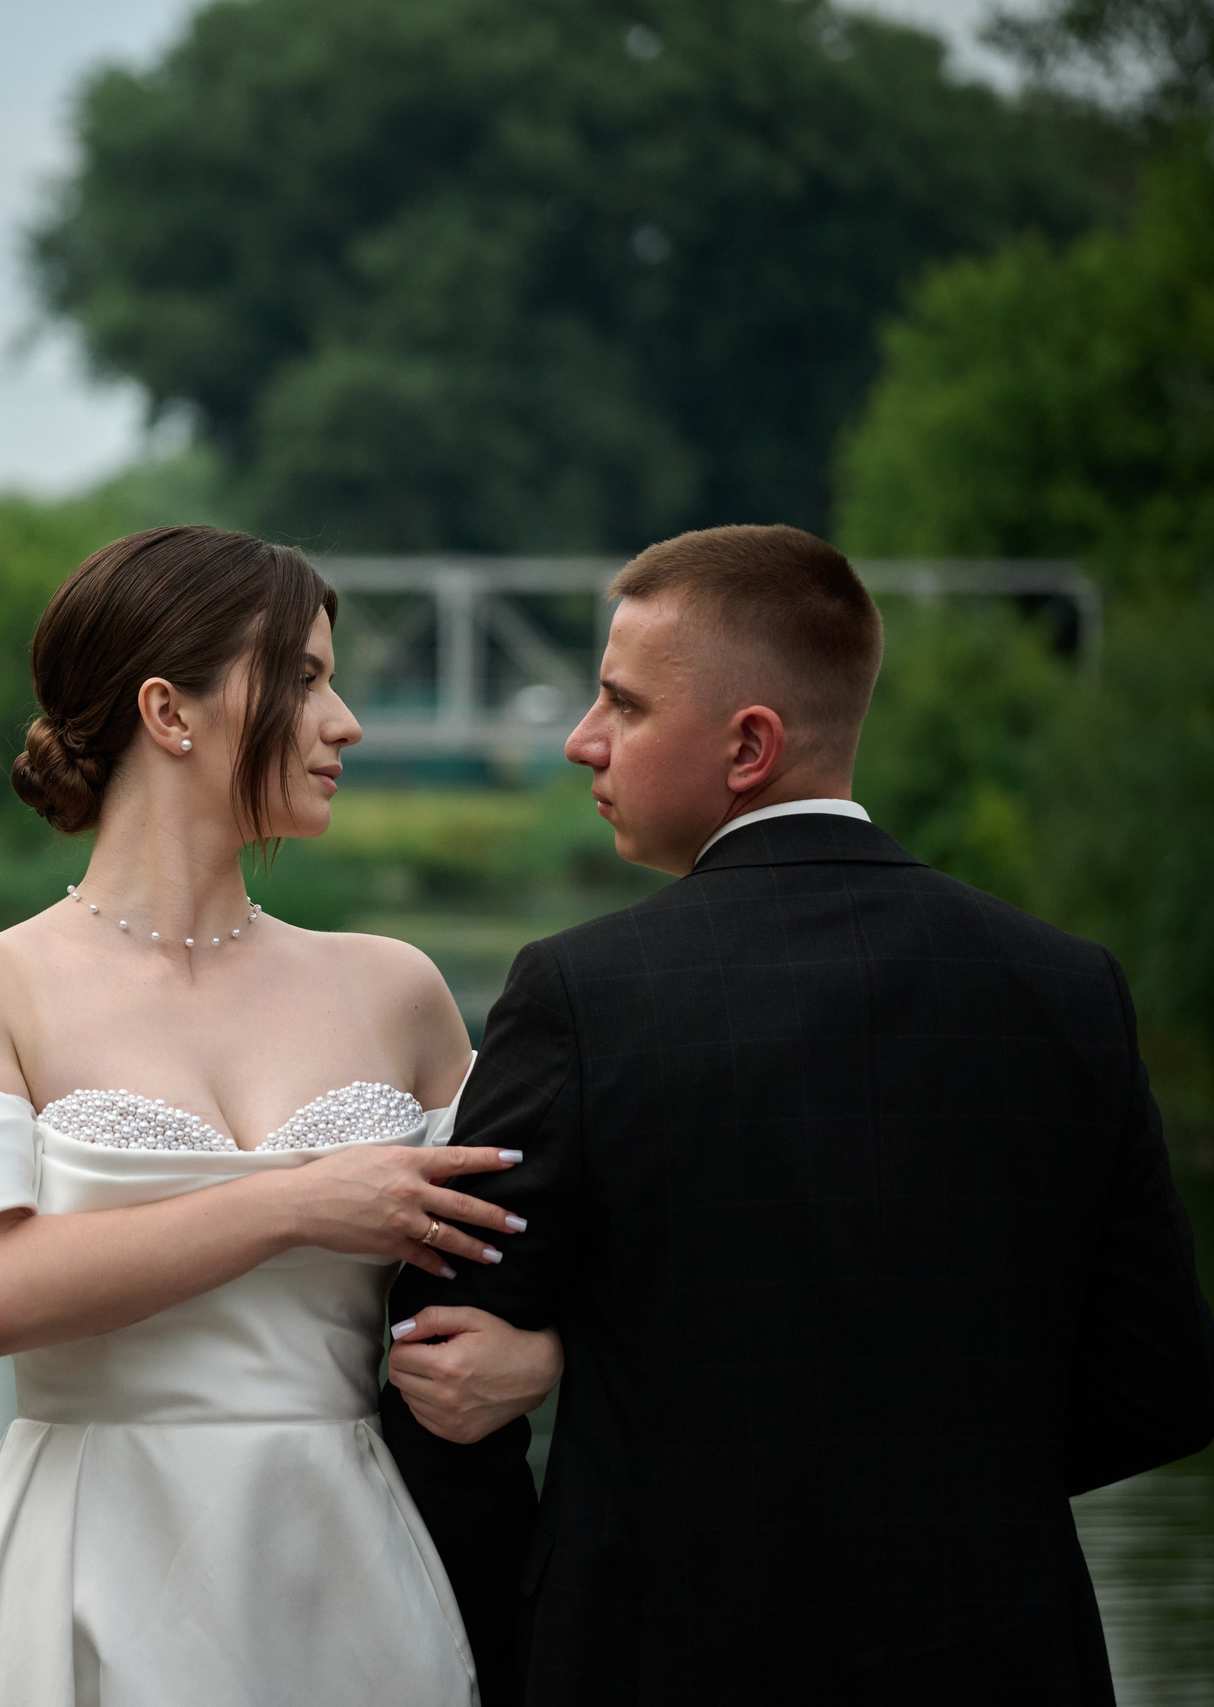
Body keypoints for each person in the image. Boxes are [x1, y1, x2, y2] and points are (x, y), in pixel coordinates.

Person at [379, 524, 1214, 1706]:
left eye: (622, 703)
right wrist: (950, 1497)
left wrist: (530, 1621)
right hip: (1002, 1662)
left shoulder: (580, 996)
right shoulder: (1068, 989)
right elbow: (1158, 1389)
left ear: (749, 747)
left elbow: (436, 1373)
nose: (580, 739)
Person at [0, 525, 561, 1707]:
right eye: (305, 680)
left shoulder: (395, 987)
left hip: (345, 1564)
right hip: (90, 1556)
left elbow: (547, 1245)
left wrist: (543, 1355)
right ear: (168, 712)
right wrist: (295, 1206)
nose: (346, 723)